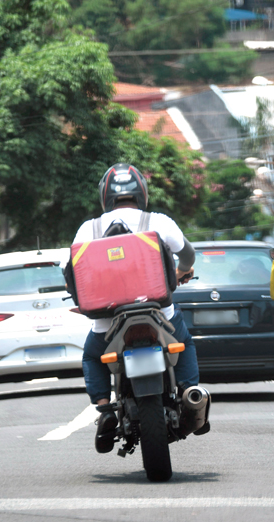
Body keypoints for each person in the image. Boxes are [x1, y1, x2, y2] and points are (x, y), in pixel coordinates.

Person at [72, 163, 204, 453]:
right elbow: (187, 253)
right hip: (159, 312)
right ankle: (190, 392)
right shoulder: (158, 221)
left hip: (107, 321)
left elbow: (69, 269)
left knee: (93, 357)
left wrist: (80, 299)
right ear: (141, 192)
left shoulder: (88, 228)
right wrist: (183, 271)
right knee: (184, 342)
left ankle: (105, 409)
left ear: (105, 195)